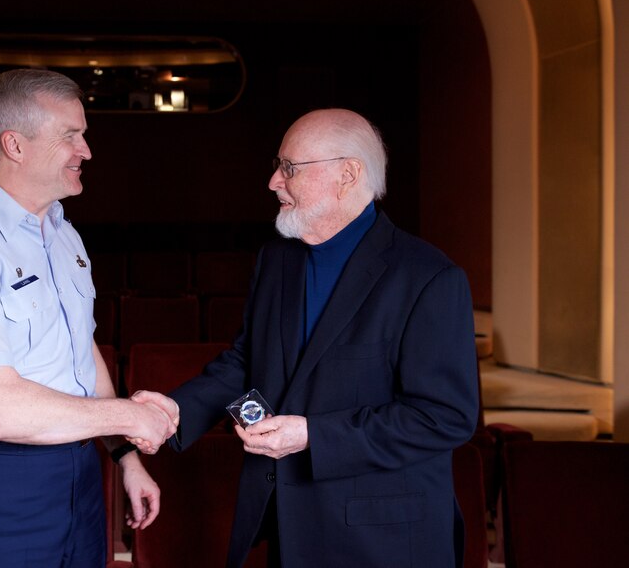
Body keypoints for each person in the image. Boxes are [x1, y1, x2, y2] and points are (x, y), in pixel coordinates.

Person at [137, 108, 479, 567]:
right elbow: (247, 360)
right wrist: (179, 409)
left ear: (348, 174)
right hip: (291, 526)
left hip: (386, 541)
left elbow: (444, 416)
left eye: (289, 168)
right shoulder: (279, 259)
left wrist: (312, 435)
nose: (274, 182)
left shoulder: (429, 277)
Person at [0, 68, 179, 568]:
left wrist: (125, 457)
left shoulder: (62, 233)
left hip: (77, 470)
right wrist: (130, 416)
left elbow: (81, 354)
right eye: (70, 136)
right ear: (15, 145)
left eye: (84, 136)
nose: (86, 151)